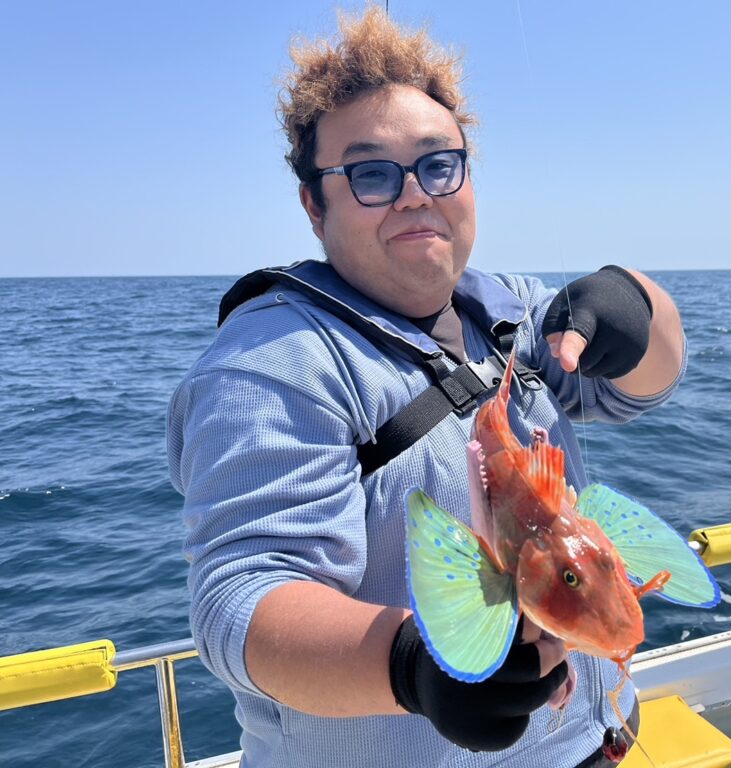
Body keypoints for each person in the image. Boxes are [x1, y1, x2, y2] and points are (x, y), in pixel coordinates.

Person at [167, 9, 686, 768]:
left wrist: (637, 300)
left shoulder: (509, 309)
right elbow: (240, 602)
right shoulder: (272, 365)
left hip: (594, 744)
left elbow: (642, 389)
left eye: (439, 165)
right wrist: (412, 667)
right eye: (372, 174)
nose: (415, 194)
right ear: (314, 205)